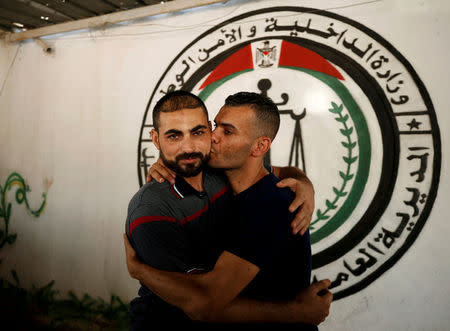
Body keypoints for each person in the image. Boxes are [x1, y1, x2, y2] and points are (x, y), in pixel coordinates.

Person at [124, 91, 332, 329]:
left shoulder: (271, 206)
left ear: (260, 146)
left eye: (227, 131)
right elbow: (283, 171)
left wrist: (140, 271)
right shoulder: (221, 177)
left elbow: (205, 304)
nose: (213, 137)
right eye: (215, 126)